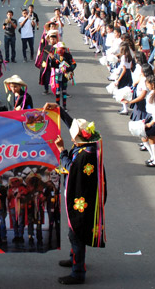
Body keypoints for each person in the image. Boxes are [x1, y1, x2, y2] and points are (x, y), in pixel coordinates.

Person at [46, 103, 106, 285]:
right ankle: (75, 258)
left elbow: (69, 168)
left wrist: (61, 150)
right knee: (75, 230)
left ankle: (78, 271)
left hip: (82, 198)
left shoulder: (84, 155)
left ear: (76, 139)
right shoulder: (91, 143)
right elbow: (73, 124)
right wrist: (59, 110)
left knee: (76, 232)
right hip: (84, 194)